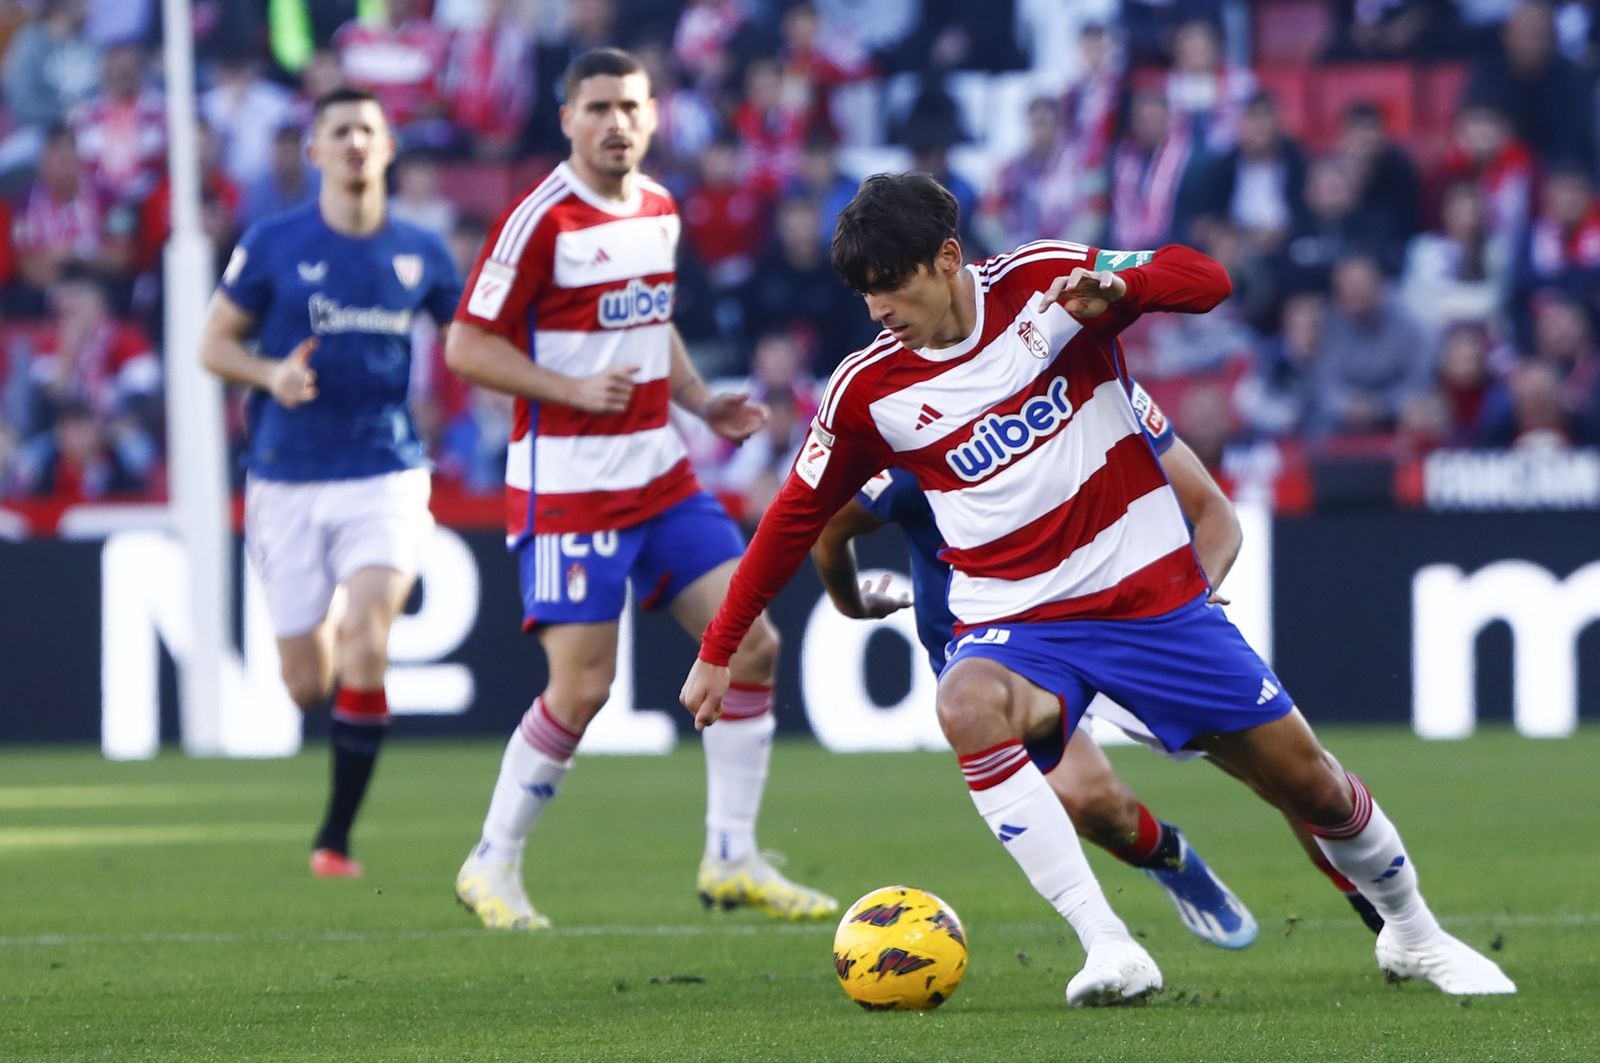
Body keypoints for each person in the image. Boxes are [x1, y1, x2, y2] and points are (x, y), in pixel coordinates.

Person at [681, 173, 1515, 1005]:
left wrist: (1127, 286)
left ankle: (1414, 933)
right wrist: (720, 648)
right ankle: (1109, 943)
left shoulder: (1046, 283)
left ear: (945, 258)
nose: (878, 309)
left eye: (889, 285)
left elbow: (1207, 280)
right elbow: (796, 516)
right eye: (863, 293)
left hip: (1148, 604)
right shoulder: (867, 391)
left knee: (1312, 786)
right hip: (1016, 620)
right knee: (967, 704)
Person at [444, 47, 836, 931]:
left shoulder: (658, 207)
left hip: (660, 470)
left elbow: (650, 324)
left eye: (629, 106)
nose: (615, 123)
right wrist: (570, 390)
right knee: (583, 690)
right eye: (597, 108)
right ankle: (492, 861)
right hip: (570, 486)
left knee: (753, 643)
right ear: (567, 120)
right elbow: (467, 347)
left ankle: (732, 855)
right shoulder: (538, 221)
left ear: (653, 114)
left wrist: (699, 400)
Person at [812, 394, 1386, 940]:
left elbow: (1213, 510)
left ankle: (1378, 911)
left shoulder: (1093, 391)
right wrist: (853, 603)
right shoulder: (927, 441)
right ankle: (1172, 860)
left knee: (1290, 779)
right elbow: (829, 531)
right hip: (1010, 653)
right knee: (1092, 803)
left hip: (1128, 626)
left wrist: (1192, 600)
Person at [198, 87, 464, 879]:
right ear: (314, 151)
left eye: (368, 131)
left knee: (368, 632)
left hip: (385, 468)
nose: (354, 143)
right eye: (339, 130)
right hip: (285, 475)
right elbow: (214, 345)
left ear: (388, 150)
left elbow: (471, 342)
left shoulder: (425, 251)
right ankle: (329, 661)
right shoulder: (273, 243)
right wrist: (268, 373)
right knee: (305, 681)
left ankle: (335, 838)